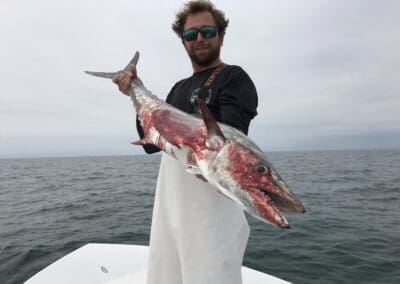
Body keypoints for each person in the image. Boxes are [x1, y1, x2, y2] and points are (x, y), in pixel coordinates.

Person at [113, 1, 258, 283]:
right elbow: (151, 143)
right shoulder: (178, 89)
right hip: (169, 206)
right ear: (183, 42)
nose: (200, 38)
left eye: (207, 31)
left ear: (221, 36)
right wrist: (135, 92)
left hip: (213, 207)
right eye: (191, 35)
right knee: (165, 275)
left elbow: (229, 146)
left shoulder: (233, 78)